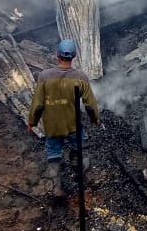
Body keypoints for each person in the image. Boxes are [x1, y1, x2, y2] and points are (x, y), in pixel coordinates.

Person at [27, 39, 99, 198]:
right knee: (79, 146)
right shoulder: (80, 77)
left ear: (57, 55)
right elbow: (90, 105)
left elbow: (38, 105)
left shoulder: (44, 76)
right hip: (73, 125)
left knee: (53, 154)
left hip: (52, 126)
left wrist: (32, 122)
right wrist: (95, 118)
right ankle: (77, 167)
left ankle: (57, 187)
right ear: (74, 56)